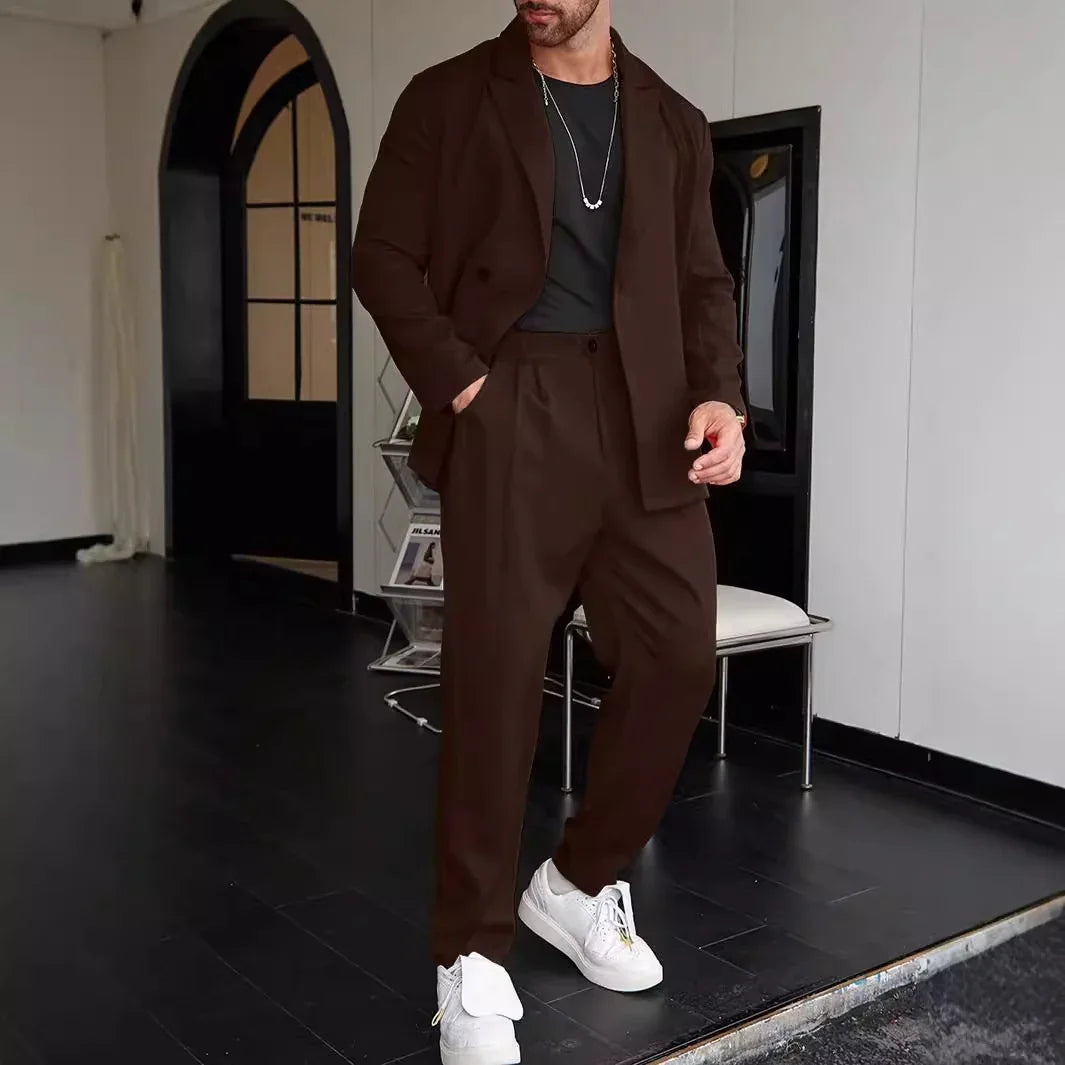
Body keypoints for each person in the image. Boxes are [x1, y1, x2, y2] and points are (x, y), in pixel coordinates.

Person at [353, 2, 747, 1062]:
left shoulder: (671, 118)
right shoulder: (448, 96)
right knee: (494, 678)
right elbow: (381, 255)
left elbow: (703, 280)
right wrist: (463, 381)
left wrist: (722, 397)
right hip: (514, 397)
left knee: (675, 652)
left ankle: (573, 884)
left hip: (650, 414)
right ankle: (469, 956)